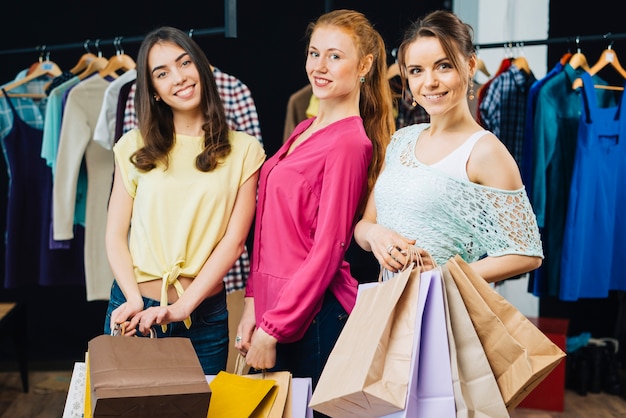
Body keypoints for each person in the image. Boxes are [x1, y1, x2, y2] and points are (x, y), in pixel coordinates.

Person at [235, 9, 395, 391]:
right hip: (276, 312)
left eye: (335, 56)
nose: (319, 67)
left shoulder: (349, 143)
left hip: (313, 319)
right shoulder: (306, 127)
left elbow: (326, 250)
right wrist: (251, 306)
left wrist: (272, 329)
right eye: (314, 53)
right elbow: (270, 234)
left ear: (365, 65)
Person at [103, 26, 266, 374]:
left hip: (203, 316)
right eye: (162, 74)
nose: (178, 78)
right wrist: (132, 298)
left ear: (202, 68)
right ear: (155, 91)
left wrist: (181, 308)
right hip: (134, 309)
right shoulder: (133, 145)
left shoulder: (245, 151)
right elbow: (116, 235)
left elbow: (234, 243)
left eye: (184, 63)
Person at [354, 10, 544, 282]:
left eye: (444, 66)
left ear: (469, 66)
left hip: (445, 311)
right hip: (392, 304)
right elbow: (365, 223)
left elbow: (527, 254)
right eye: (417, 71)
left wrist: (442, 276)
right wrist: (376, 236)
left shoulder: (484, 151)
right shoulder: (401, 140)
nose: (430, 82)